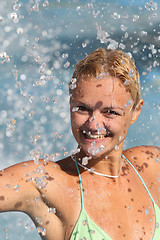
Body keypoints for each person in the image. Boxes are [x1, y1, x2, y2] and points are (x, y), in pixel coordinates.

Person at [0, 48, 159, 240]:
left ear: (135, 111)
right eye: (82, 108)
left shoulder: (151, 166)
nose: (93, 124)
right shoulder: (49, 183)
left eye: (110, 112)